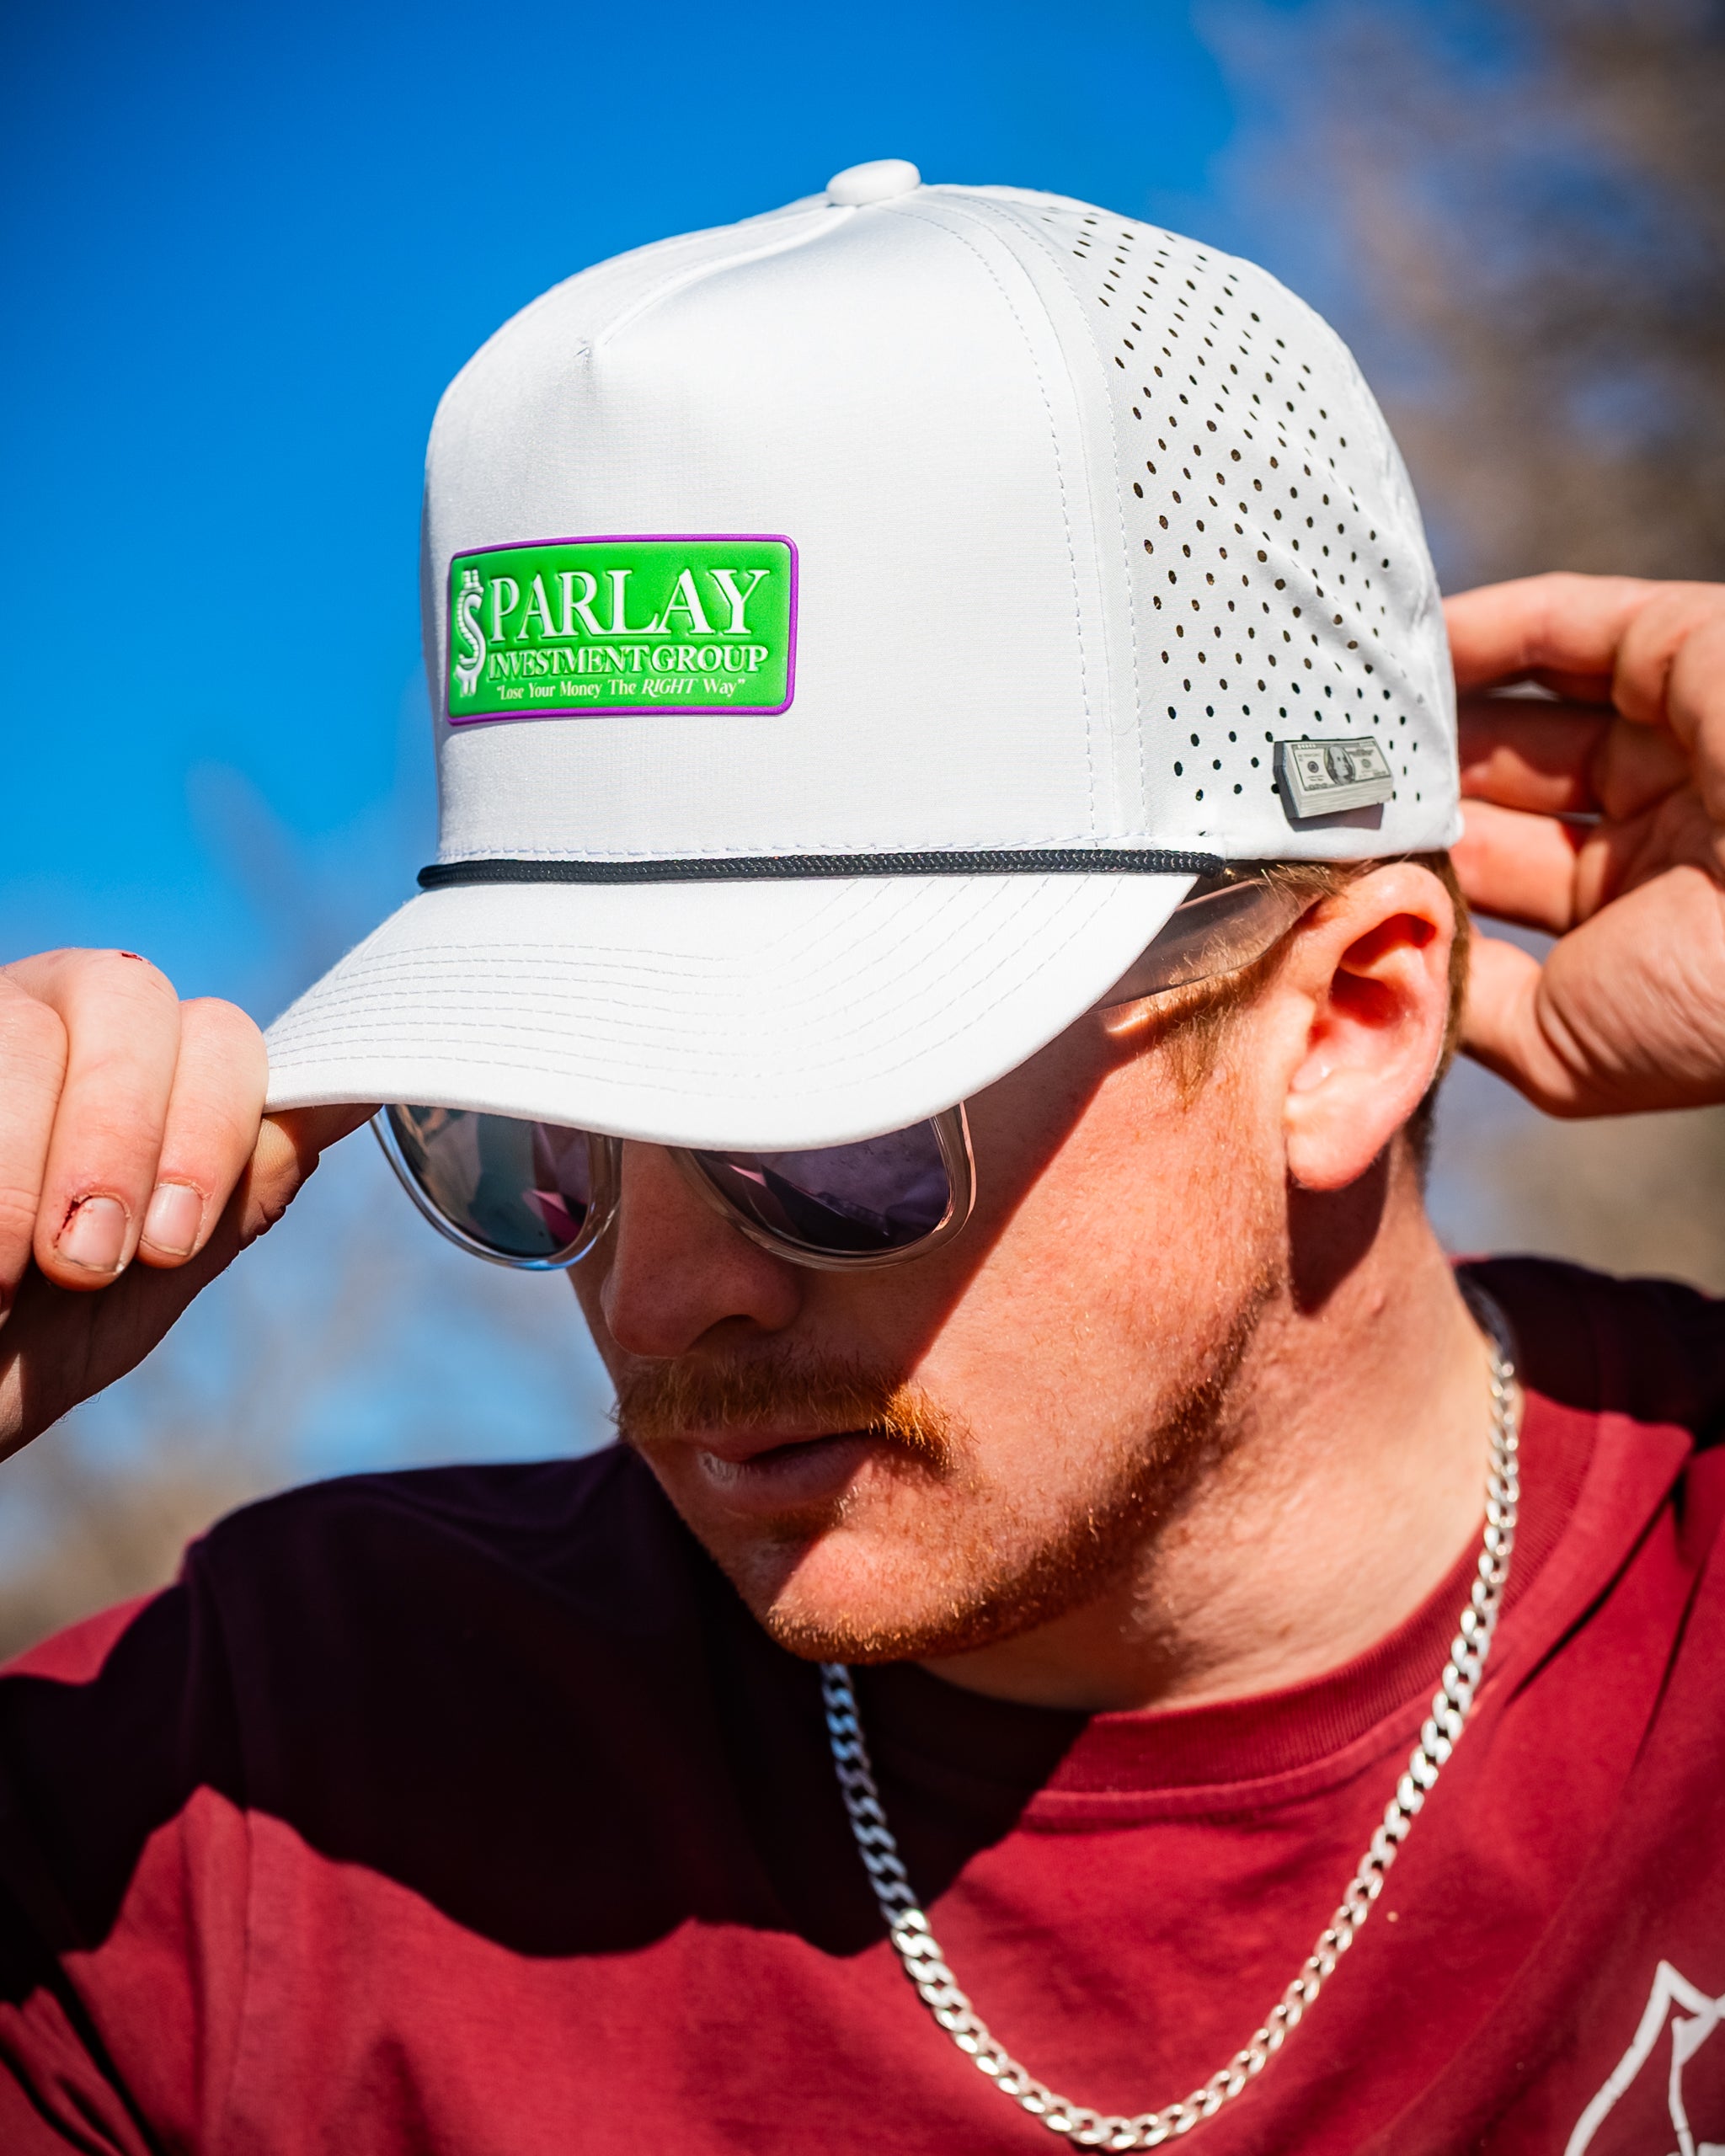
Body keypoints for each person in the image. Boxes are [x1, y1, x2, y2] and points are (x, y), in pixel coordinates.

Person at [1, 163, 1722, 2156]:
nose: (651, 1300)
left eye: (821, 1127)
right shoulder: (258, 1795)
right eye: (531, 1139)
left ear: (1342, 1023)